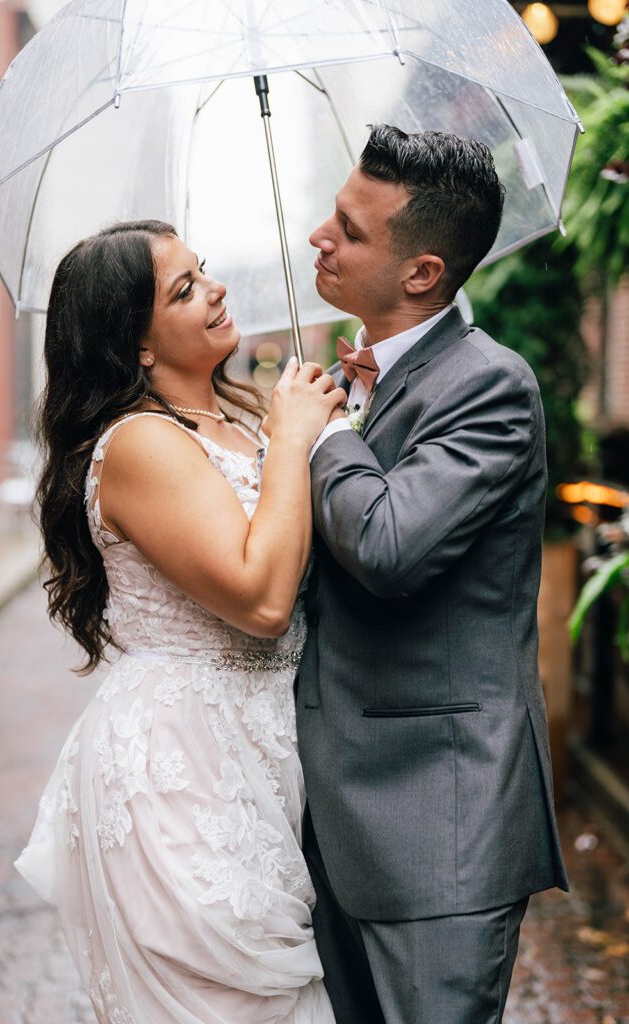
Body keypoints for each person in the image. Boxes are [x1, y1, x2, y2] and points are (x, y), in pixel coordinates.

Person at [14, 220, 344, 1023]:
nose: (216, 289)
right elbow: (261, 601)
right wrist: (296, 441)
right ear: (137, 346)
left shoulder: (242, 414)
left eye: (204, 272)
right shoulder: (139, 446)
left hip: (268, 750)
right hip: (182, 770)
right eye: (184, 289)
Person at [297, 124, 570, 1024]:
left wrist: (326, 433)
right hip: (337, 814)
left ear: (422, 272)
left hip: (437, 825)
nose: (318, 238)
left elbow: (385, 544)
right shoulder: (360, 380)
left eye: (350, 227)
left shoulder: (490, 385)